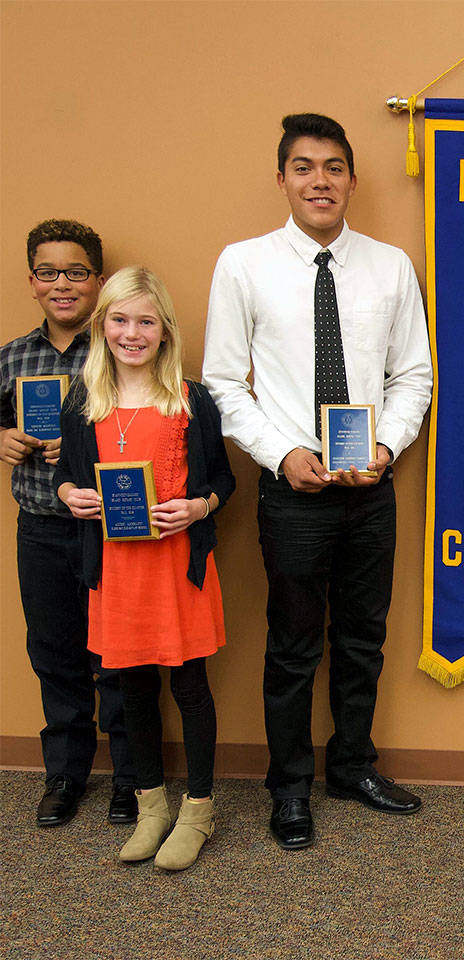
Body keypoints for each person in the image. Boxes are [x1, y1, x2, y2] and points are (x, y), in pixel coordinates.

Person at [203, 113, 432, 850]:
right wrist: (281, 454)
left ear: (353, 181)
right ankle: (290, 787)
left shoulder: (390, 264)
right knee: (295, 643)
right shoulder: (243, 263)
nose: (320, 181)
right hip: (292, 491)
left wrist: (389, 447)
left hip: (370, 489)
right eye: (304, 167)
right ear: (282, 179)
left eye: (334, 167)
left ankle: (353, 767)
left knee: (364, 637)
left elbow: (413, 376)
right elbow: (221, 383)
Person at [54, 267, 234, 870]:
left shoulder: (191, 400)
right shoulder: (84, 403)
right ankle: (151, 807)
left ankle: (198, 810)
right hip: (116, 571)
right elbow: (68, 479)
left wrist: (199, 505)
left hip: (177, 566)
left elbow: (224, 481)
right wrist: (68, 496)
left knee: (188, 688)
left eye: (145, 321)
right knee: (131, 691)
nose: (132, 333)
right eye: (120, 319)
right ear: (103, 326)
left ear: (165, 330)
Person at [0, 219, 137, 827]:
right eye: (49, 273)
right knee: (54, 653)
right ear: (32, 282)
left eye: (77, 272)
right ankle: (65, 774)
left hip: (109, 530)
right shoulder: (12, 357)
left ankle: (133, 779)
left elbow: (148, 434)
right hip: (40, 529)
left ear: (99, 282)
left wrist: (85, 454)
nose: (63, 284)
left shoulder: (120, 351)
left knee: (119, 656)